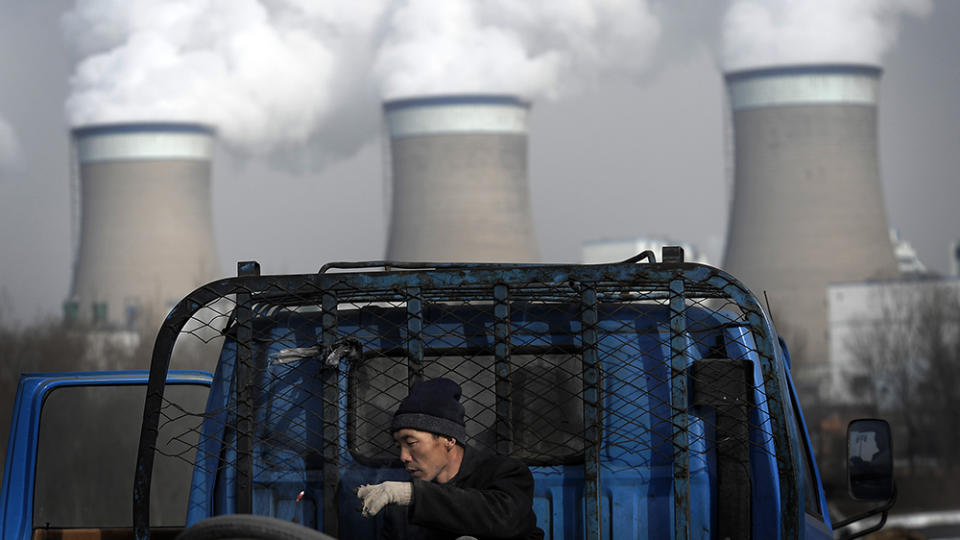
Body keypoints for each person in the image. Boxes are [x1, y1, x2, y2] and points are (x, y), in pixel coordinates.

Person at [356, 377, 544, 540]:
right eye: (399, 447)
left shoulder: (504, 473)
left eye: (411, 443)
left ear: (448, 440)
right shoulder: (400, 508)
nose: (403, 457)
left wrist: (412, 494)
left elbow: (505, 518)